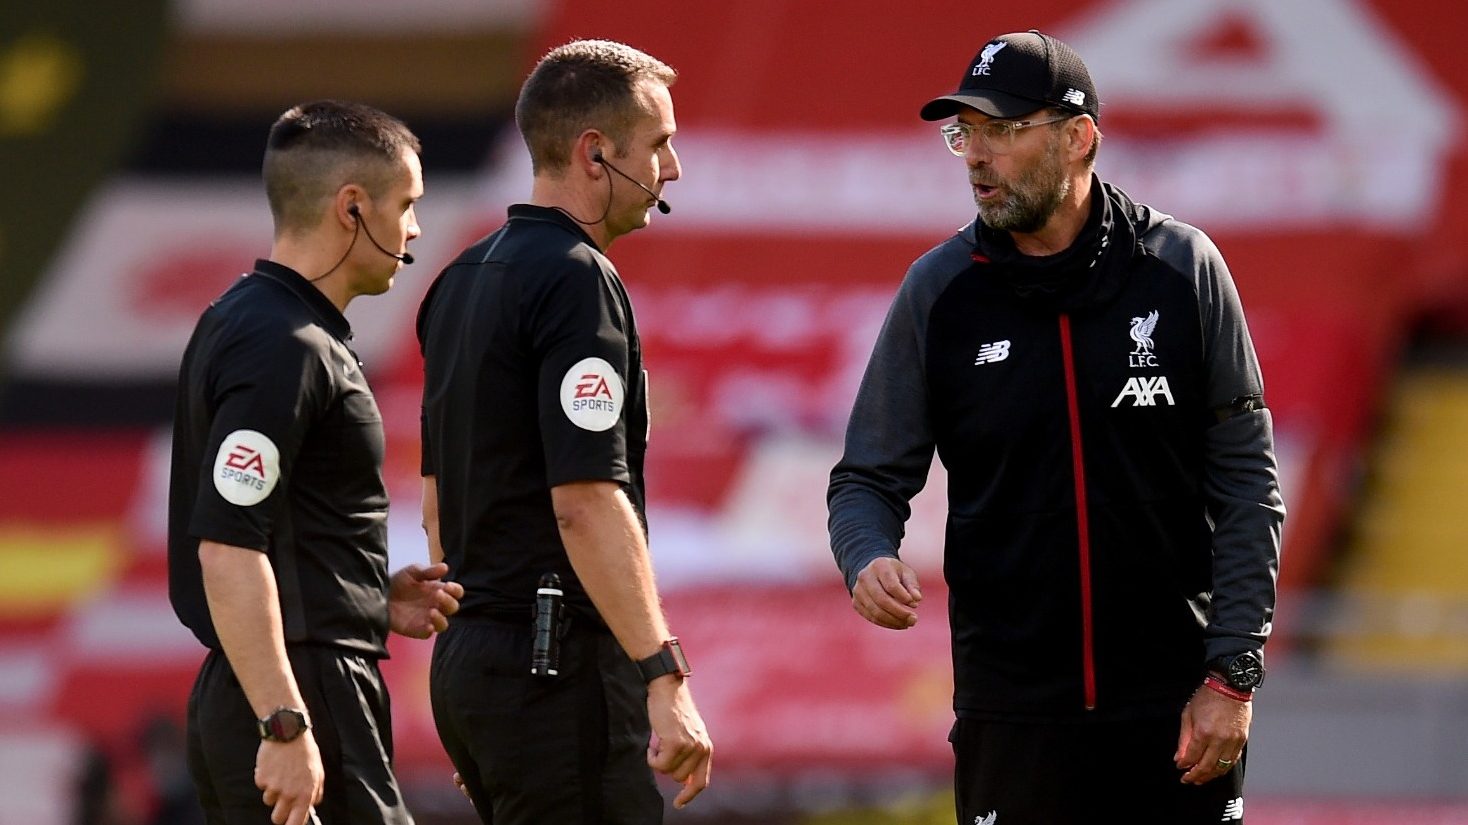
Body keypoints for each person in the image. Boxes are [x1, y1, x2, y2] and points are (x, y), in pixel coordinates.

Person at [827, 30, 1285, 825]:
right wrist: (866, 554)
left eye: (1002, 131)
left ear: (1079, 138)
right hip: (1012, 714)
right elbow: (866, 477)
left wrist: (1232, 675)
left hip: (1175, 708)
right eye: (964, 132)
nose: (975, 154)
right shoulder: (939, 292)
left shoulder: (1183, 270)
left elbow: (1248, 485)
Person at [417, 39, 712, 823]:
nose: (672, 168)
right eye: (659, 144)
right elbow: (584, 497)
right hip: (556, 665)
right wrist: (664, 675)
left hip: (477, 665)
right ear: (594, 153)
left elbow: (436, 502)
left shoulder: (459, 278)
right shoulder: (577, 280)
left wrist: (489, 705)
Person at [168, 99, 463, 825]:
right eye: (408, 203)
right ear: (353, 206)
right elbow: (229, 545)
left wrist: (360, 597)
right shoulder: (284, 345)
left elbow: (273, 532)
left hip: (288, 676)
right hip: (299, 691)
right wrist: (284, 722)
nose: (416, 228)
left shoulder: (250, 321)